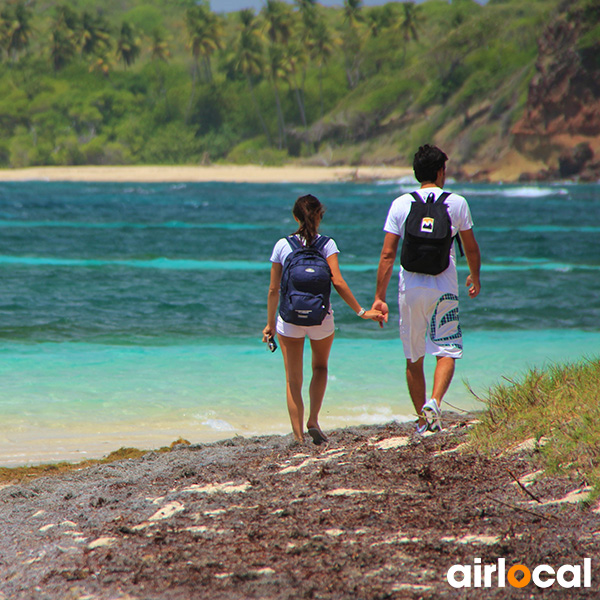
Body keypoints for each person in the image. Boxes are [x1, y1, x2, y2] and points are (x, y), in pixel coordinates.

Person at [372, 145, 481, 434]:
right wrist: (475, 276)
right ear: (440, 172)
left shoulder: (400, 204)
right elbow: (470, 246)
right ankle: (434, 402)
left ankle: (423, 420)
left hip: (410, 287)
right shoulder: (456, 203)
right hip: (444, 285)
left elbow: (387, 254)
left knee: (413, 356)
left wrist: (379, 298)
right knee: (446, 349)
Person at [263, 194, 383, 445]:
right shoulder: (328, 245)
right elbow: (337, 281)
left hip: (289, 319)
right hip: (321, 319)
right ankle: (313, 421)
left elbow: (274, 289)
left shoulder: (282, 246)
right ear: (320, 216)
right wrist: (362, 312)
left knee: (292, 379)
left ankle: (297, 437)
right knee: (320, 368)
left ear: (295, 217)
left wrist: (270, 324)